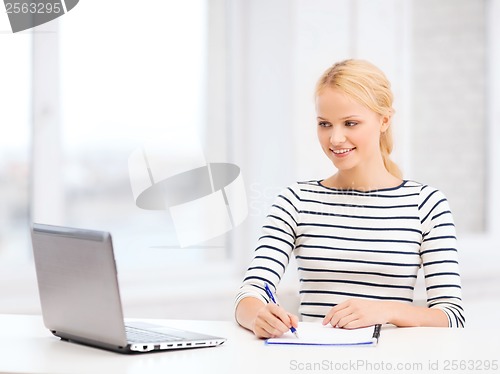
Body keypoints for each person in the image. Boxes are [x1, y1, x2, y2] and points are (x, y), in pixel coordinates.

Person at [234, 59, 465, 338]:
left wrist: (385, 310)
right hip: (309, 362)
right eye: (325, 124)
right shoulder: (295, 201)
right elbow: (250, 293)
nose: (336, 138)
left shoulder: (426, 204)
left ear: (385, 119)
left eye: (350, 123)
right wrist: (258, 315)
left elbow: (452, 316)